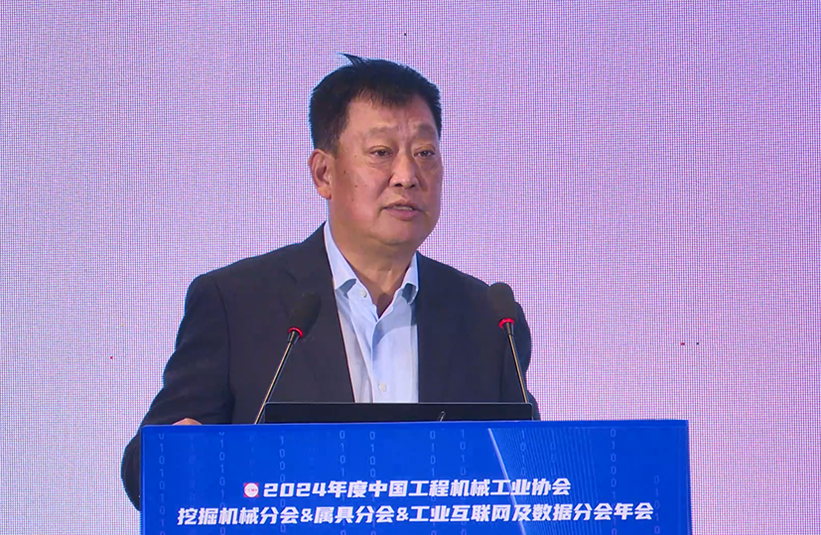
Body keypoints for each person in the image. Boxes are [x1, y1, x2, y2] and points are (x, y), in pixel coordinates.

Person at [121, 55, 538, 510]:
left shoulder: (488, 318)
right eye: (381, 153)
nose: (407, 176)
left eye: (425, 153)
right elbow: (147, 466)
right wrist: (172, 460)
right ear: (323, 173)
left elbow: (530, 474)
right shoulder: (237, 304)